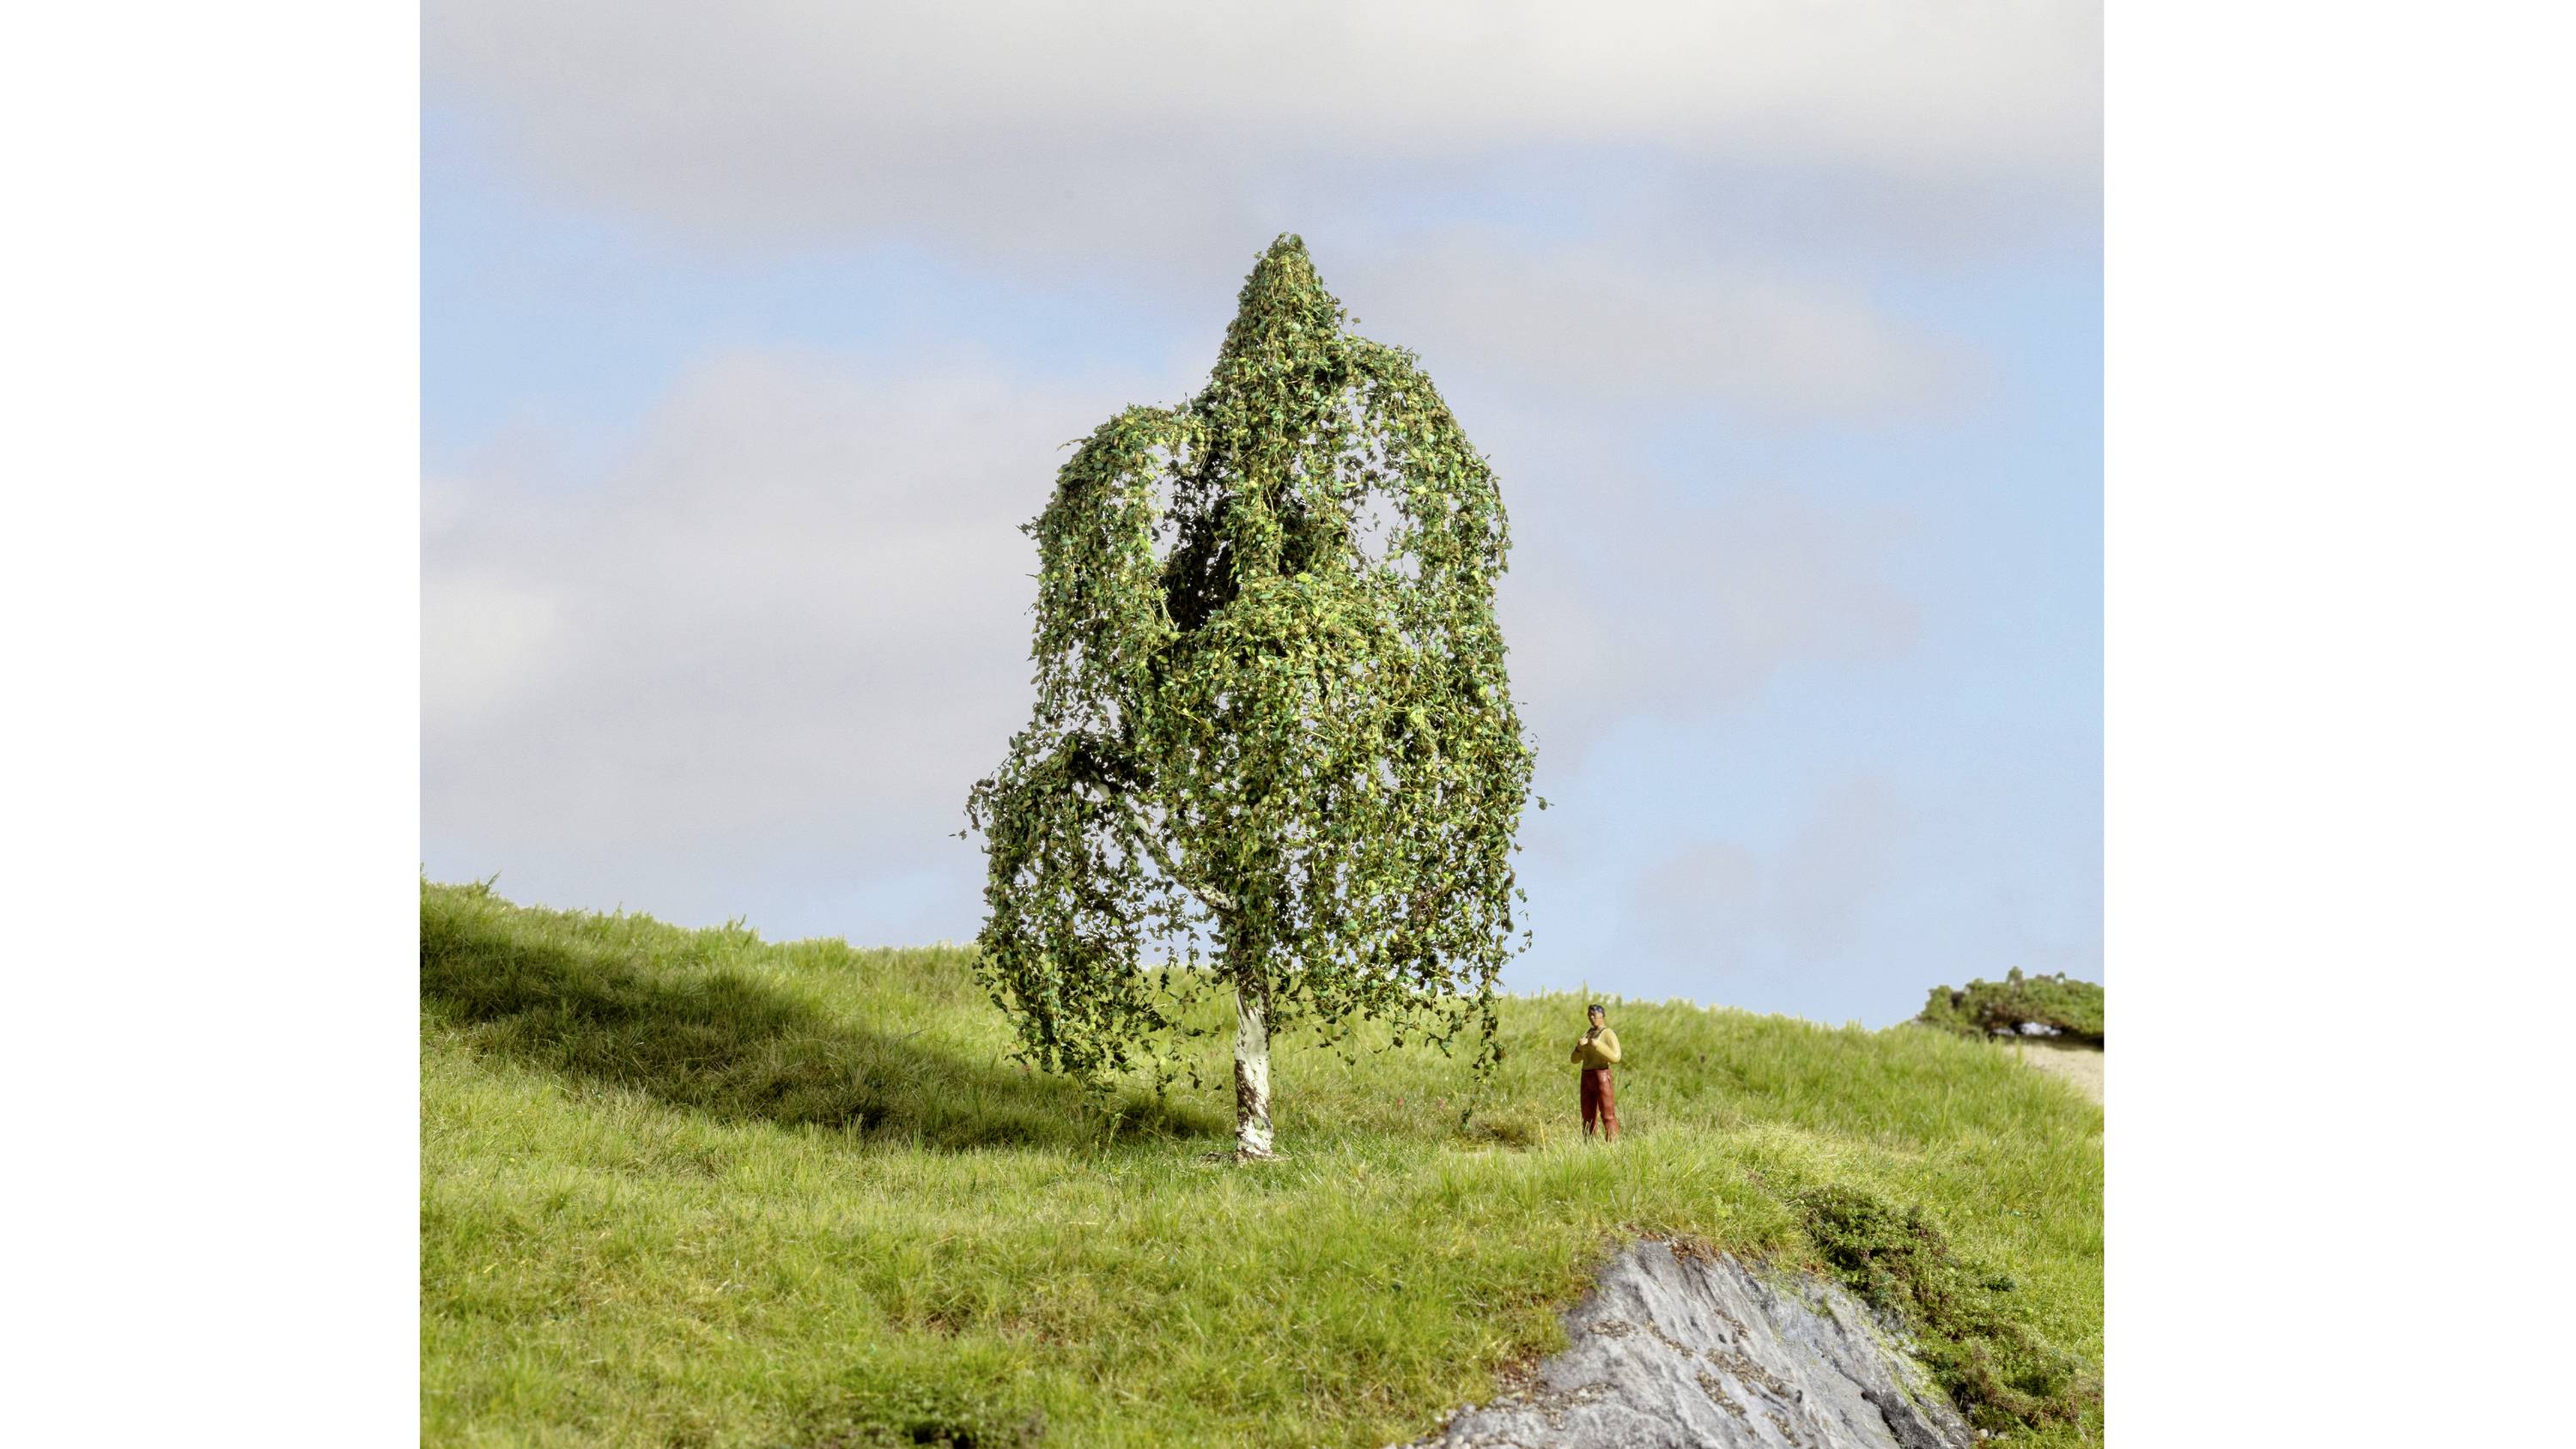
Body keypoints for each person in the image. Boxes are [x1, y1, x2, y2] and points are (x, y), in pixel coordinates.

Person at [1571, 1003, 1621, 1141]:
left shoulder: (1608, 1034)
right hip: (1587, 1075)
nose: (1591, 1018)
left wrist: (1598, 1046)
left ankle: (1613, 1143)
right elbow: (1574, 1060)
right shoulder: (1588, 1033)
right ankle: (1589, 1143)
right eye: (1589, 1015)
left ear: (1602, 1015)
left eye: (1594, 1015)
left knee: (1607, 1113)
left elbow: (1616, 1057)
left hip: (1601, 1075)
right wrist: (1578, 1049)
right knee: (1587, 1115)